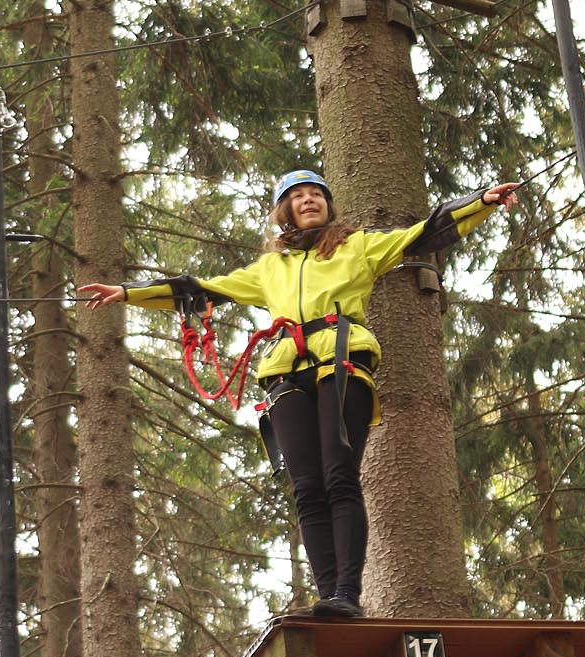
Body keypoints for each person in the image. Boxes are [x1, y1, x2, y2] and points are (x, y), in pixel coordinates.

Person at [79, 169, 518, 618]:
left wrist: (480, 202)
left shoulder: (359, 246)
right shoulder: (271, 268)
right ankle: (330, 596)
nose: (309, 201)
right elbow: (202, 289)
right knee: (306, 487)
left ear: (328, 206)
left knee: (339, 475)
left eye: (316, 195)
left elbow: (425, 232)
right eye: (298, 196)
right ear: (285, 210)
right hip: (285, 373)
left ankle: (348, 592)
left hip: (342, 361)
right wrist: (127, 293)